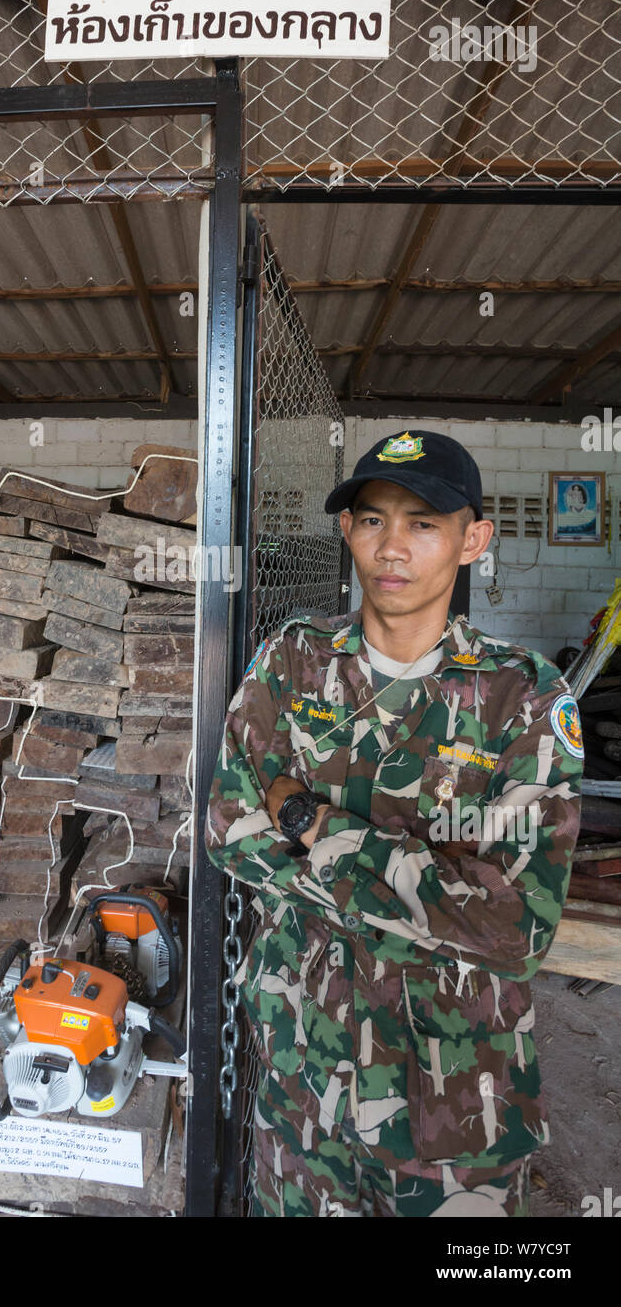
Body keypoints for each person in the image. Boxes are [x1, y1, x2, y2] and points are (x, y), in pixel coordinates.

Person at [204, 429, 583, 1217]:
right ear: (347, 531)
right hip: (301, 1082)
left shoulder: (525, 700)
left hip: (452, 1108)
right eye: (373, 520)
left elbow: (513, 926)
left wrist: (306, 822)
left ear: (472, 541)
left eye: (424, 523)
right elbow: (229, 830)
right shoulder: (294, 662)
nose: (392, 545)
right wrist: (423, 888)